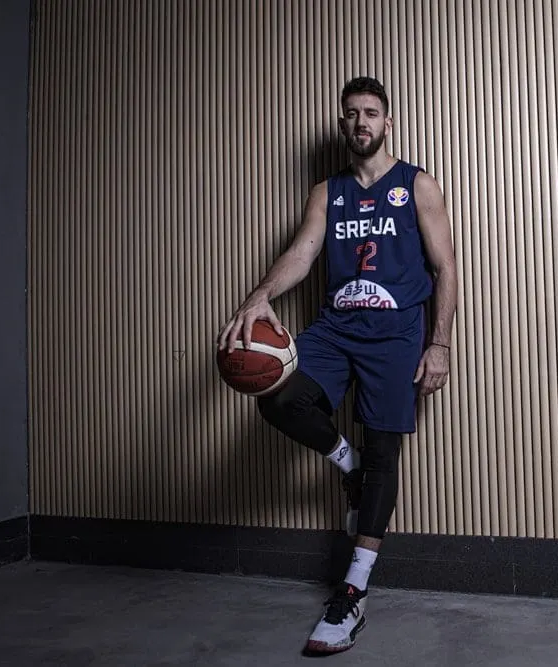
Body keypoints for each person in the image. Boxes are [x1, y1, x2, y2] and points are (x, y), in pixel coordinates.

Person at [216, 76, 458, 655]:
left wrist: (440, 344)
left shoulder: (416, 184)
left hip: (396, 333)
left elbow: (446, 267)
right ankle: (348, 466)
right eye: (351, 113)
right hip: (336, 328)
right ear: (341, 123)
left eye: (371, 112)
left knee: (384, 453)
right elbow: (302, 252)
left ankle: (353, 592)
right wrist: (259, 296)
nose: (361, 122)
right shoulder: (328, 192)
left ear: (387, 122)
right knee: (279, 398)